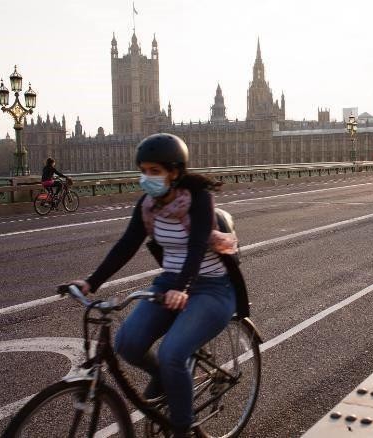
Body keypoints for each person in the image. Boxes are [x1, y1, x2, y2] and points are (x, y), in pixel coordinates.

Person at [71, 133, 248, 437]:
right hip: (170, 282)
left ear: (175, 172)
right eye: (143, 171)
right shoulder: (148, 205)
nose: (147, 178)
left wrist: (183, 287)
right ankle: (168, 379)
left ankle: (181, 429)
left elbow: (195, 247)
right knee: (127, 343)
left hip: (212, 287)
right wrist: (91, 282)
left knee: (172, 353)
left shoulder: (199, 200)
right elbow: (127, 244)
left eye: (155, 171)